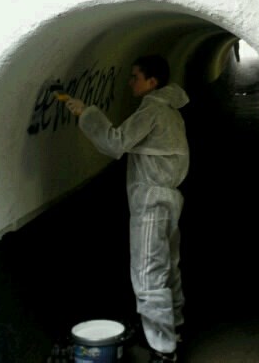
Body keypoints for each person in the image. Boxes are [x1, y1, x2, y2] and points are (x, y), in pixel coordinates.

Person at [64, 55, 189, 363]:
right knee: (168, 270)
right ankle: (175, 331)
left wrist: (85, 113)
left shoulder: (152, 110)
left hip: (151, 203)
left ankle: (163, 350)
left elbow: (114, 142)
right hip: (169, 199)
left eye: (135, 76)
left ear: (152, 82)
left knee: (148, 276)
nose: (130, 82)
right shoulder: (171, 111)